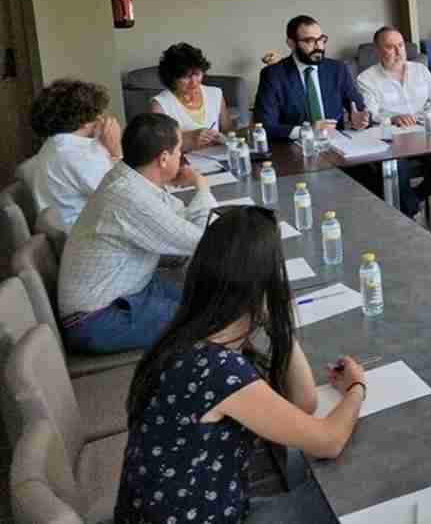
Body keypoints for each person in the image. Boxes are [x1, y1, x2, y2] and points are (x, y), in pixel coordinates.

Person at [115, 206, 363, 523]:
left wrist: (276, 320)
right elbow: (328, 441)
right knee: (343, 502)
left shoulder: (187, 339)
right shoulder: (216, 370)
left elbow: (304, 403)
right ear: (262, 286)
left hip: (183, 512)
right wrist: (356, 387)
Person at [59, 113, 216, 354]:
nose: (181, 158)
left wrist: (199, 195)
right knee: (213, 319)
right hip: (97, 319)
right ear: (163, 159)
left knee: (211, 300)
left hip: (128, 291)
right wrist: (201, 184)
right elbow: (201, 241)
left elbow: (179, 216)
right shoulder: (129, 197)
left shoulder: (128, 177)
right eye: (178, 152)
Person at [356, 26, 431, 218]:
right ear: (378, 51)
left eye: (400, 45)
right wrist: (394, 118)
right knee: (399, 175)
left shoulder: (420, 69)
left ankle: (410, 203)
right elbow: (370, 114)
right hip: (391, 139)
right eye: (390, 47)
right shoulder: (366, 78)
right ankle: (410, 213)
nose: (398, 51)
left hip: (423, 134)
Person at [254, 14, 370, 141]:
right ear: (291, 43)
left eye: (321, 39)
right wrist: (306, 131)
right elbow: (264, 126)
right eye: (310, 41)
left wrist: (361, 120)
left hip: (336, 144)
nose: (319, 47)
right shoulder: (273, 75)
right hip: (295, 147)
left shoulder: (337, 69)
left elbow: (358, 109)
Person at [23, 79, 122, 228]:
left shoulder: (57, 145)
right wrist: (116, 150)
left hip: (83, 228)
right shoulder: (74, 155)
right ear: (83, 118)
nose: (101, 118)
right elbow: (123, 196)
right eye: (97, 112)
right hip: (89, 236)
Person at [149, 42, 235, 151]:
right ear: (172, 78)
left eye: (197, 74)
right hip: (182, 164)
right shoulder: (160, 104)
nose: (194, 82)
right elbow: (158, 149)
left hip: (217, 160)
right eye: (186, 77)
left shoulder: (215, 94)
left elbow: (229, 132)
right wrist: (187, 139)